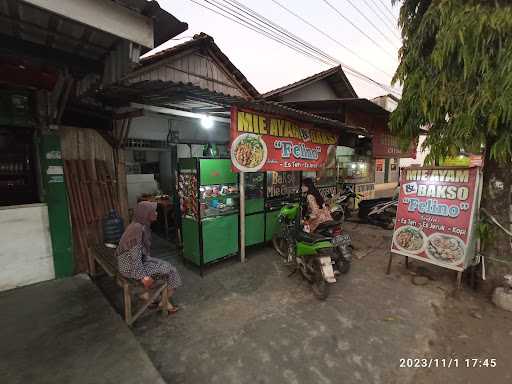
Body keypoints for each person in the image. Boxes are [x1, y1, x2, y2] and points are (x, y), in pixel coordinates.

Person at [116, 201, 182, 313]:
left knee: (165, 266)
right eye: (153, 211)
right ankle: (163, 302)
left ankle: (148, 296)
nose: (156, 213)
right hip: (130, 267)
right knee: (171, 270)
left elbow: (140, 254)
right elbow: (135, 254)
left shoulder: (142, 225)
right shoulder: (136, 228)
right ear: (146, 213)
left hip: (134, 262)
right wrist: (143, 276)